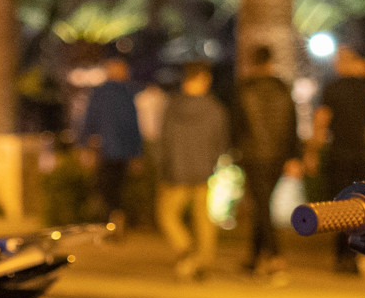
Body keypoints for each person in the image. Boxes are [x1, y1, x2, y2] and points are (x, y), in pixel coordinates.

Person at [309, 45, 365, 271]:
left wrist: (314, 150)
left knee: (339, 206)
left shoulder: (331, 88)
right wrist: (363, 139)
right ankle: (356, 255)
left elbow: (321, 120)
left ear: (344, 62)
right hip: (360, 154)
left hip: (338, 152)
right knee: (360, 206)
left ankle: (340, 256)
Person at [154, 62, 230, 283]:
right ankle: (203, 263)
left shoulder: (172, 107)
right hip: (203, 171)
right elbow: (221, 144)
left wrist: (162, 167)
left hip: (175, 172)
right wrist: (211, 163)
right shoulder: (215, 109)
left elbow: (163, 141)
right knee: (204, 219)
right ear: (204, 80)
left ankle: (185, 249)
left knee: (167, 215)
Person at [232, 45, 301, 282]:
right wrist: (294, 156)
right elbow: (293, 124)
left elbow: (237, 125)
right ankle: (253, 258)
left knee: (261, 206)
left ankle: (275, 256)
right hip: (278, 156)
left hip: (252, 155)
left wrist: (234, 152)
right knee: (262, 204)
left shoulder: (244, 89)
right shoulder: (283, 89)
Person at [79, 56, 142, 230]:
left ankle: (111, 220)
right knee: (114, 187)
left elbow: (89, 120)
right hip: (115, 149)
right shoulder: (125, 94)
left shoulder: (106, 93)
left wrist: (85, 144)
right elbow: (133, 125)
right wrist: (136, 153)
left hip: (106, 149)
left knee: (107, 186)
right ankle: (114, 218)